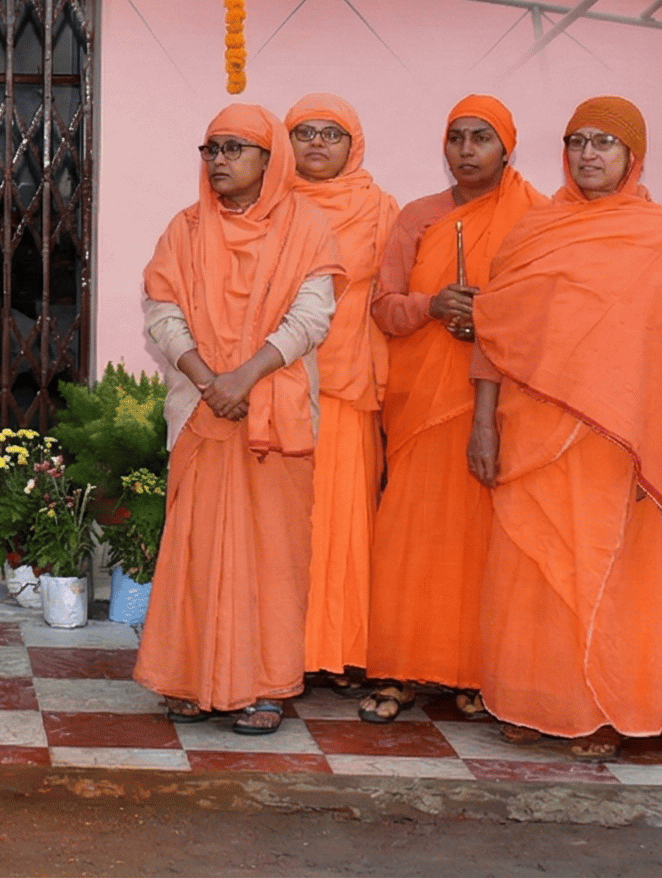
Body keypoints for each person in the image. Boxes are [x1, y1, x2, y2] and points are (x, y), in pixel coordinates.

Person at [468, 96, 662, 758]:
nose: (589, 154)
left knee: (605, 576)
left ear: (632, 157)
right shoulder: (532, 232)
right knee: (529, 570)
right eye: (578, 140)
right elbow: (493, 333)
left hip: (616, 441)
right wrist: (483, 423)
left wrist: (661, 443)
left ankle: (602, 712)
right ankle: (529, 701)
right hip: (529, 428)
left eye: (605, 143)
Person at [133, 104, 344, 734]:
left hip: (272, 417)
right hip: (202, 412)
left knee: (272, 554)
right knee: (194, 549)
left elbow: (312, 318)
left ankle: (261, 686)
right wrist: (208, 381)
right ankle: (189, 678)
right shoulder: (186, 229)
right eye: (211, 149)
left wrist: (242, 378)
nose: (219, 160)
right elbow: (161, 311)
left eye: (235, 149)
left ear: (268, 160)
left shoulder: (308, 228)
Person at [360, 96, 543, 723]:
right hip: (421, 407)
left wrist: (488, 320)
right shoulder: (418, 217)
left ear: (507, 149)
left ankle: (475, 672)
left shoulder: (535, 217)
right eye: (456, 138)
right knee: (408, 538)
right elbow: (383, 308)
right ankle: (398, 669)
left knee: (484, 545)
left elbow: (548, 313)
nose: (467, 151)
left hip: (500, 405)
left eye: (481, 139)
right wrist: (433, 308)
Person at [283, 94, 397, 693]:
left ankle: (346, 647)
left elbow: (395, 294)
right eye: (305, 132)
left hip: (349, 385)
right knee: (287, 522)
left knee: (344, 521)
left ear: (354, 144)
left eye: (333, 134)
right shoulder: (270, 205)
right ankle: (285, 647)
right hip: (280, 383)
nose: (318, 144)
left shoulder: (381, 210)